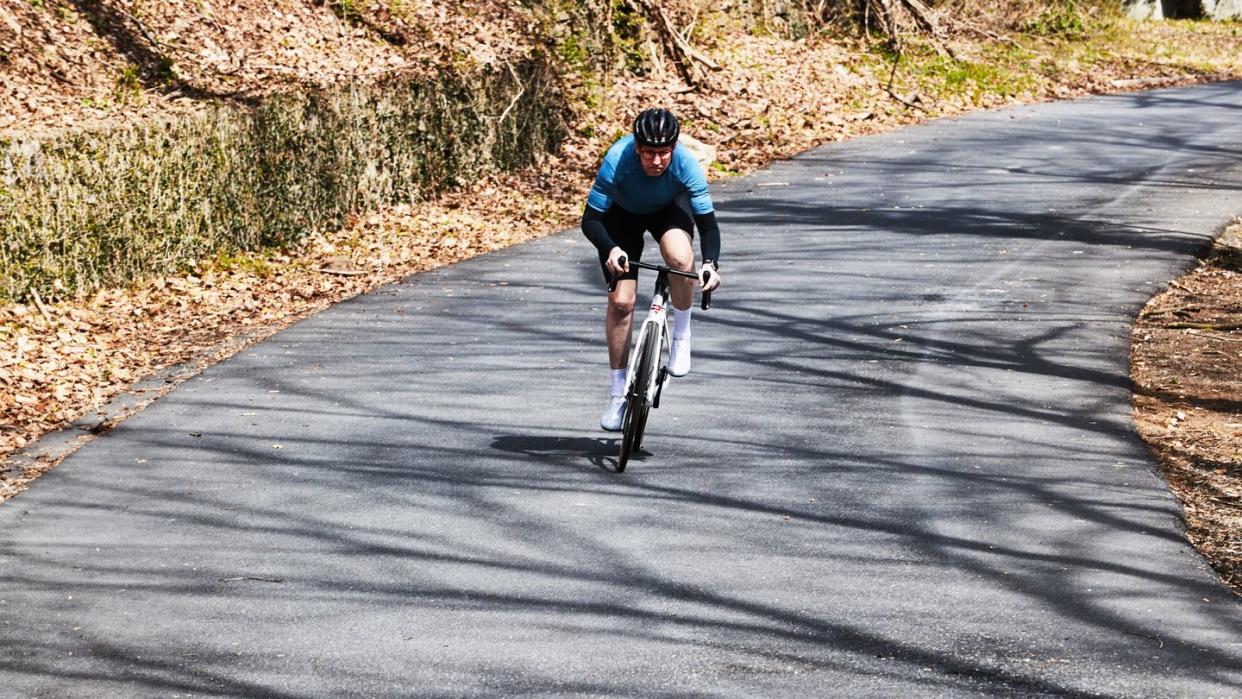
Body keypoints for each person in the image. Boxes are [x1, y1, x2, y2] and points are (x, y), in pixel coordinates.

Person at [581, 107, 723, 431]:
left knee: (681, 258)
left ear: (674, 149)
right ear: (637, 149)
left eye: (663, 153)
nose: (657, 161)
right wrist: (609, 248)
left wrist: (711, 265)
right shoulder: (617, 159)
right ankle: (618, 396)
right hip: (622, 217)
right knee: (621, 302)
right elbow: (590, 220)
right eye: (649, 153)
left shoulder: (686, 164)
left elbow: (708, 226)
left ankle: (682, 334)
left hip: (668, 212)